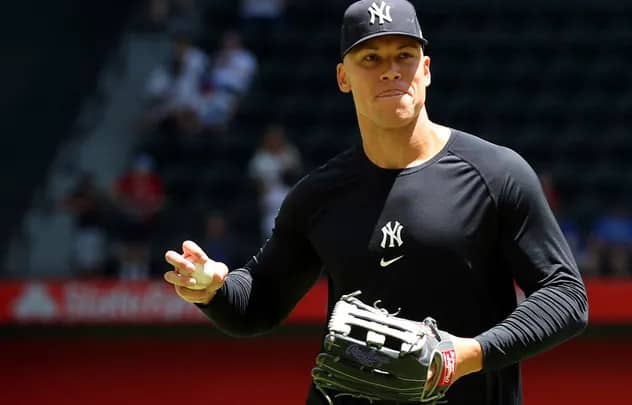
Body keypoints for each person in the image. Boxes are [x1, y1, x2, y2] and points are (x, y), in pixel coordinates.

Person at [163, 1, 588, 404]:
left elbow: (566, 296)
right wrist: (213, 290)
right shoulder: (319, 195)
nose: (390, 71)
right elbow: (257, 305)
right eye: (371, 58)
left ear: (426, 70)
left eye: (404, 55)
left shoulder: (496, 174)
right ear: (343, 77)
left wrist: (465, 355)